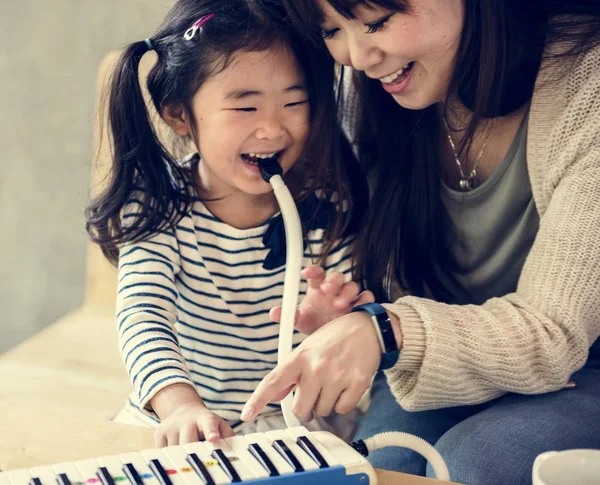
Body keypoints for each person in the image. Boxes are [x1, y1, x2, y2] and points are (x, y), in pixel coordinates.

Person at [241, 0, 600, 483]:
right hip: (449, 364)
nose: (358, 56)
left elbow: (554, 334)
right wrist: (348, 313)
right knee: (378, 467)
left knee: (469, 462)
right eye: (332, 30)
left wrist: (384, 331)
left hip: (582, 365)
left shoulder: (587, 84)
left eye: (376, 22)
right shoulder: (370, 90)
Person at [85, 0, 373, 447]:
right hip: (179, 412)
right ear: (179, 114)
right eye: (245, 108)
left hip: (288, 423)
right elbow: (143, 317)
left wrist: (333, 327)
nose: (273, 130)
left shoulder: (329, 207)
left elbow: (347, 348)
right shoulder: (160, 204)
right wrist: (180, 405)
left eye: (294, 103)